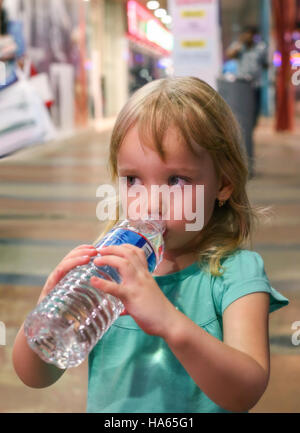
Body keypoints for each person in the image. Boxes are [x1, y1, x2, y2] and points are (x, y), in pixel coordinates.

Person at [12, 77, 289, 413]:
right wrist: (48, 312)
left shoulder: (236, 274)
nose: (150, 203)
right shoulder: (107, 272)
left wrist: (170, 322)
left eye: (176, 180)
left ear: (224, 184)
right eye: (133, 180)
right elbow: (34, 376)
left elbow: (246, 390)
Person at [226, 25, 269, 126]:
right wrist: (240, 44)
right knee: (241, 110)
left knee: (254, 110)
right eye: (247, 34)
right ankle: (242, 128)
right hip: (241, 85)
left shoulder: (260, 47)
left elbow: (265, 64)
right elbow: (230, 54)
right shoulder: (239, 46)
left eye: (251, 34)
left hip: (255, 85)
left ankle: (251, 129)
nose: (248, 36)